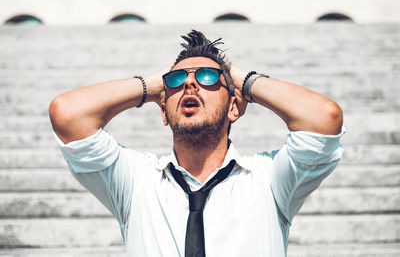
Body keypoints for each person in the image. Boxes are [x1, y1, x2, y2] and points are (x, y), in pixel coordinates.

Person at [49, 30, 344, 257]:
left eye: (207, 78)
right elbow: (67, 114)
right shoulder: (135, 181)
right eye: (177, 80)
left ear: (234, 108)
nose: (190, 84)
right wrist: (154, 84)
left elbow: (324, 119)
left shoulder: (269, 179)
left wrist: (240, 78)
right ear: (163, 112)